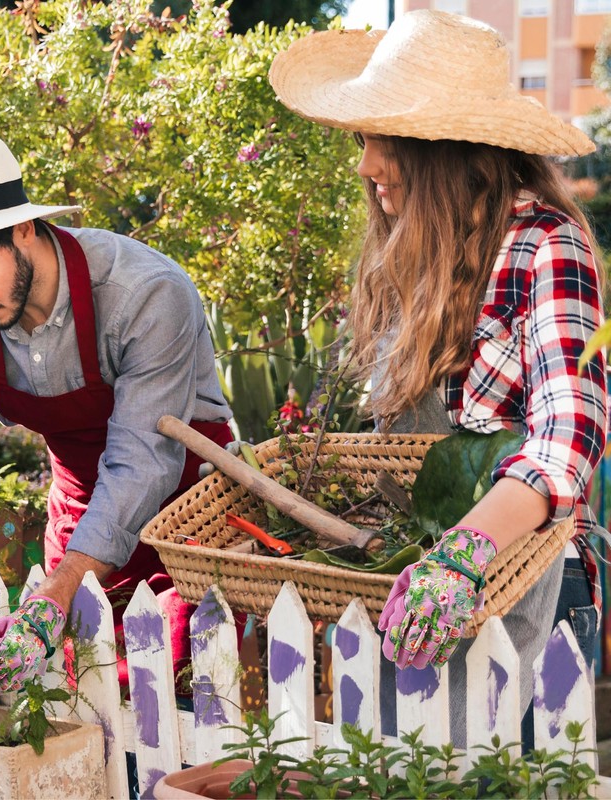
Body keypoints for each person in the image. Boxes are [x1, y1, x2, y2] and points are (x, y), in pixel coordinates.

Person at [269, 9, 607, 746]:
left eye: (382, 141)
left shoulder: (545, 244)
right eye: (362, 140)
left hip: (523, 590)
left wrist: (463, 552)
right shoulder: (410, 253)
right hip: (423, 593)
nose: (364, 166)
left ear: (443, 149)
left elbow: (569, 435)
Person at [0, 130, 233, 696]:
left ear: (23, 228)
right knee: (81, 694)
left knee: (181, 694)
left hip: (189, 514)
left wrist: (54, 597)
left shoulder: (145, 293)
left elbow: (144, 462)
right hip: (82, 505)